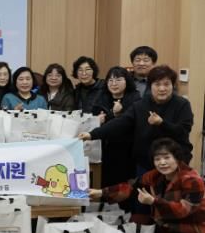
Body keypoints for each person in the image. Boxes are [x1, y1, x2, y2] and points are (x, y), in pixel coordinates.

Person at [80, 65, 194, 216]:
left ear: (173, 86)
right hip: (145, 162)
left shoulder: (182, 104)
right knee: (141, 202)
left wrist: (162, 123)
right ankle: (142, 227)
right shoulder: (141, 105)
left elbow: (183, 131)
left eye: (166, 84)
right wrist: (92, 134)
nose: (162, 88)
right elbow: (120, 123)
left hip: (174, 163)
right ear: (150, 86)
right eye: (157, 84)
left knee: (171, 204)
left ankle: (164, 228)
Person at [88, 138, 205, 233]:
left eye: (167, 157)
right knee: (135, 222)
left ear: (177, 158)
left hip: (192, 231)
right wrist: (101, 193)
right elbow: (131, 187)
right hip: (167, 225)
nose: (162, 162)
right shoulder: (155, 175)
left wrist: (154, 201)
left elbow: (183, 211)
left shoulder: (192, 179)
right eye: (157, 159)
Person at [91, 66, 141, 188]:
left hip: (126, 150)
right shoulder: (101, 96)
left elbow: (128, 123)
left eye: (118, 80)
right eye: (110, 80)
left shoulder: (134, 98)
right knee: (104, 183)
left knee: (123, 185)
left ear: (126, 81)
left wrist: (114, 114)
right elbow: (94, 118)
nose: (114, 84)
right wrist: (97, 120)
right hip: (104, 149)